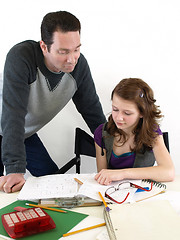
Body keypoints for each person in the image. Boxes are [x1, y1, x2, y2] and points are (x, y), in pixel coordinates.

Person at [0, 11, 106, 193]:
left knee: (53, 181)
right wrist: (15, 169)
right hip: (10, 125)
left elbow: (92, 111)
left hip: (24, 134)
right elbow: (13, 114)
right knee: (8, 187)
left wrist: (115, 145)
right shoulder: (21, 57)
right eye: (63, 52)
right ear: (44, 46)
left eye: (76, 49)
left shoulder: (79, 67)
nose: (71, 59)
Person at [94, 78, 175, 185]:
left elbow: (168, 172)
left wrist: (123, 173)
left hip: (143, 193)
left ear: (142, 113)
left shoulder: (152, 132)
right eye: (115, 109)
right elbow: (102, 175)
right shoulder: (102, 133)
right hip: (113, 193)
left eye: (127, 113)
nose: (119, 118)